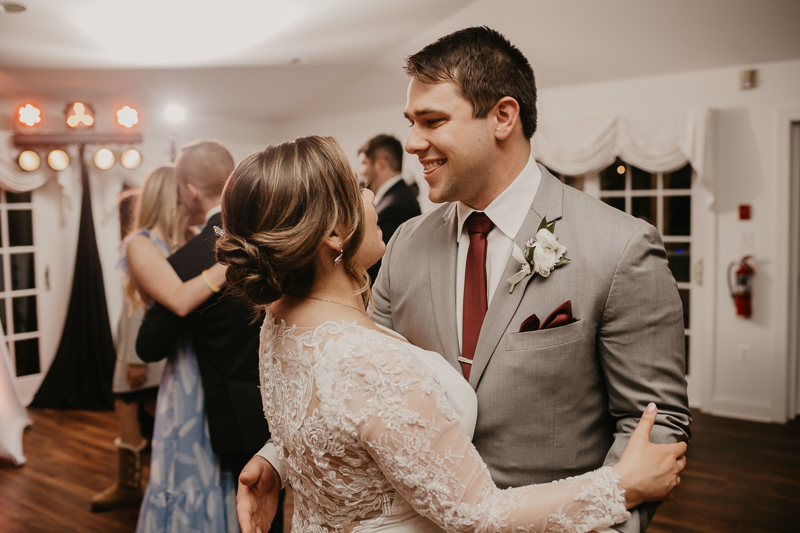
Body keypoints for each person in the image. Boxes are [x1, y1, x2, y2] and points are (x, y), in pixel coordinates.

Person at [240, 27, 692, 533]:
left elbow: (652, 423)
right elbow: (349, 377)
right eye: (411, 123)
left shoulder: (620, 246)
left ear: (503, 116)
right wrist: (280, 458)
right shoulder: (406, 242)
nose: (412, 143)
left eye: (432, 121)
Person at [135, 141, 278, 532]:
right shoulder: (278, 237)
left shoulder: (186, 261)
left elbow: (148, 345)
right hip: (295, 400)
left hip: (236, 413)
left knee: (251, 516)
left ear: (190, 190)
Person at [104, 166, 232, 532]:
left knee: (214, 461)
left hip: (209, 360)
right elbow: (174, 301)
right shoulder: (140, 244)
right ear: (175, 197)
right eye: (187, 195)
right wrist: (230, 261)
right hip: (182, 365)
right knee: (186, 462)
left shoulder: (193, 238)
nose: (196, 200)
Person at [90, 189, 166, 512]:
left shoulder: (141, 245)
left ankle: (130, 485)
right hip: (141, 350)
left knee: (128, 405)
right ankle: (141, 482)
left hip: (141, 354)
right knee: (151, 407)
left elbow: (138, 308)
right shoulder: (151, 243)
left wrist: (135, 359)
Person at [357, 134, 421, 282]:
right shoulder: (398, 197)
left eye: (364, 162)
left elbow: (378, 266)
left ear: (380, 163)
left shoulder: (396, 205)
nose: (361, 170)